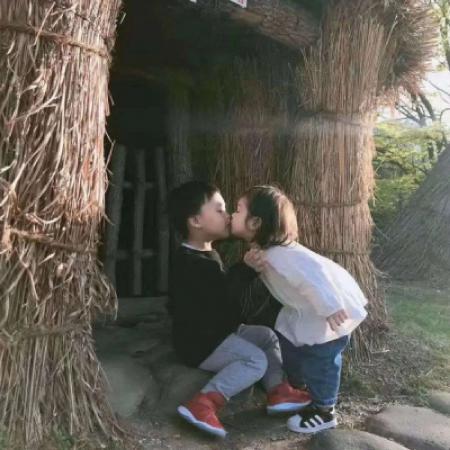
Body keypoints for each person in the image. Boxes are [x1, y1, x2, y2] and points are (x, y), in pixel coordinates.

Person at [167, 181, 311, 438]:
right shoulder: (190, 263)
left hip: (219, 332)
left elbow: (222, 296)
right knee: (254, 360)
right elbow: (222, 297)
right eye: (219, 210)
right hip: (201, 344)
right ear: (196, 221)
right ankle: (205, 402)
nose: (228, 215)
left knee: (266, 336)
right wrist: (245, 270)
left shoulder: (207, 255)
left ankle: (278, 391)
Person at [231, 185, 368, 434]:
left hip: (327, 312)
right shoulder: (267, 252)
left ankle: (324, 410)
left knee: (322, 359)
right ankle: (301, 391)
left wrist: (329, 307)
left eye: (238, 210)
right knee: (292, 348)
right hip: (304, 310)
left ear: (255, 222)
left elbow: (314, 276)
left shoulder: (282, 256)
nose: (232, 214)